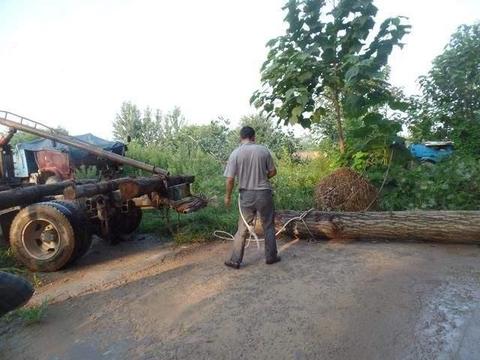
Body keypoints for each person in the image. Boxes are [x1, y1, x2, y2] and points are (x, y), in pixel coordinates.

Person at [223, 126, 280, 269]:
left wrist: (228, 197)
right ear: (254, 137)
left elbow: (230, 180)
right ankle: (271, 257)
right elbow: (273, 171)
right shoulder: (263, 150)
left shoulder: (235, 154)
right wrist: (263, 177)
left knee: (242, 229)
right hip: (264, 194)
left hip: (246, 195)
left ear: (241, 138)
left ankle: (235, 260)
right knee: (268, 226)